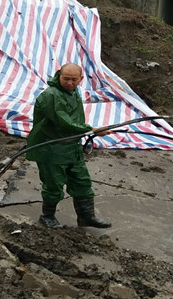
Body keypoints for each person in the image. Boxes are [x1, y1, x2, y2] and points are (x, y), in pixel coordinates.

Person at [26, 62, 111, 229]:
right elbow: (64, 122)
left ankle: (87, 217)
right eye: (66, 79)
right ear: (59, 76)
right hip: (52, 148)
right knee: (54, 185)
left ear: (81, 79)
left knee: (82, 182)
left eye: (74, 79)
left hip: (72, 146)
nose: (70, 83)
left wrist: (85, 133)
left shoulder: (73, 92)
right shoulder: (51, 95)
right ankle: (47, 216)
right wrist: (91, 130)